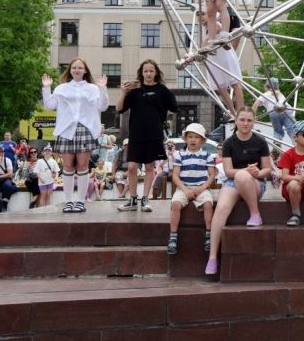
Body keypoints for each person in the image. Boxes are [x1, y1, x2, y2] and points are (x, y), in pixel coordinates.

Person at [206, 108, 272, 276]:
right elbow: (228, 171)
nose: (245, 123)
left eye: (249, 120)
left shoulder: (260, 142)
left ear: (254, 122)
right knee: (221, 209)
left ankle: (255, 214)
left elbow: (267, 170)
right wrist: (245, 171)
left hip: (255, 183)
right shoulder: (229, 143)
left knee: (243, 176)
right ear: (236, 121)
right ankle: (212, 257)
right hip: (233, 180)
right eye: (242, 119)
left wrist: (256, 173)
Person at [41, 59, 108, 214]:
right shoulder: (61, 88)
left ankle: (80, 200)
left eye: (80, 67)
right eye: (74, 67)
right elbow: (49, 105)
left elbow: (103, 106)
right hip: (66, 129)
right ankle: (68, 201)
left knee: (83, 166)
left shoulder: (92, 88)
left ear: (85, 70)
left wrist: (103, 89)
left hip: (85, 129)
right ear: (70, 70)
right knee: (68, 166)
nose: (77, 70)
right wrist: (46, 88)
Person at [117, 59, 178, 213]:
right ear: (141, 73)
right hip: (136, 134)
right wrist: (123, 91)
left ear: (156, 72)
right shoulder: (135, 91)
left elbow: (174, 107)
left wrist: (160, 114)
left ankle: (145, 199)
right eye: (146, 71)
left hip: (154, 134)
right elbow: (119, 109)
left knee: (150, 166)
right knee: (131, 167)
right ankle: (132, 199)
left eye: (151, 71)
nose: (148, 73)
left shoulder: (162, 90)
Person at [167, 123, 216, 256]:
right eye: (190, 137)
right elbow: (175, 176)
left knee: (208, 204)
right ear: (185, 139)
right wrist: (185, 189)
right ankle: (173, 236)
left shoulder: (207, 156)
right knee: (176, 204)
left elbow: (212, 175)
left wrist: (202, 188)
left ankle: (208, 234)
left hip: (201, 188)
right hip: (184, 188)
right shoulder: (180, 155)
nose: (193, 140)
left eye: (196, 137)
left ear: (202, 140)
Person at [253, 78, 295, 144]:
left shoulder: (266, 94)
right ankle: (297, 145)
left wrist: (253, 116)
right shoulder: (279, 93)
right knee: (292, 129)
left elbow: (256, 104)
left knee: (277, 131)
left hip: (273, 112)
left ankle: (277, 144)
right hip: (286, 110)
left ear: (267, 86)